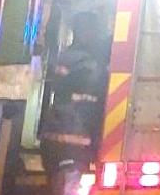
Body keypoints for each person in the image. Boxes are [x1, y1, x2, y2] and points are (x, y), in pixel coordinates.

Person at [39, 11, 109, 195]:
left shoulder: (64, 58)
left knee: (59, 185)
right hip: (76, 146)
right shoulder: (91, 66)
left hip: (53, 144)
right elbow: (99, 93)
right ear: (87, 32)